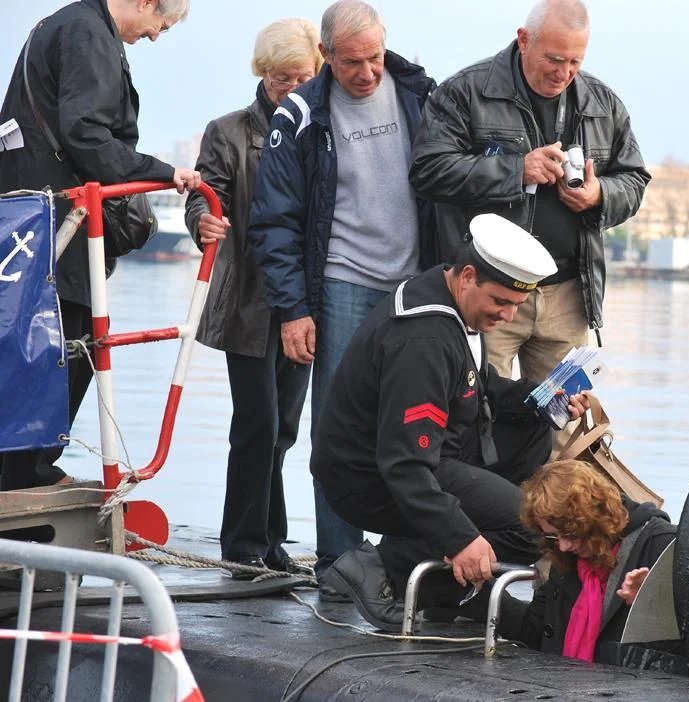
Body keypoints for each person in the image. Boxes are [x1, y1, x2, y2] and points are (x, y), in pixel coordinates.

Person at [312, 214, 591, 630]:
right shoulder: (423, 340)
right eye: (500, 302)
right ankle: (384, 569)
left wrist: (542, 397)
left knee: (531, 423)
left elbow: (479, 385)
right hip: (371, 478)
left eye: (517, 305)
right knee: (533, 525)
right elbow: (404, 463)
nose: (509, 316)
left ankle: (443, 580)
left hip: (429, 451)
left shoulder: (450, 300)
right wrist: (459, 538)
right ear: (467, 276)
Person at [247, 0, 435, 589]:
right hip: (341, 281)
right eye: (353, 62)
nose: (367, 72)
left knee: (415, 420)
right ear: (327, 56)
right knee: (337, 424)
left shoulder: (420, 94)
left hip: (413, 282)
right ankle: (338, 560)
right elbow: (273, 219)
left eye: (375, 58)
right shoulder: (300, 114)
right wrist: (293, 309)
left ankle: (403, 555)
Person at [0, 0, 201, 491]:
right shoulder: (89, 34)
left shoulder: (59, 24)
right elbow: (84, 131)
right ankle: (30, 474)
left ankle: (22, 470)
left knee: (36, 345)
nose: (156, 36)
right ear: (146, 2)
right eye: (161, 23)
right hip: (59, 221)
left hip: (28, 218)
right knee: (76, 339)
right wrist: (157, 172)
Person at [409, 0, 650, 394]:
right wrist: (515, 171)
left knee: (564, 422)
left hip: (568, 296)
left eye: (575, 61)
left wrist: (599, 195)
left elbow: (635, 180)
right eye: (555, 59)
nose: (565, 73)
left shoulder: (603, 104)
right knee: (480, 418)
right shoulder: (465, 91)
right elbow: (427, 171)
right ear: (523, 40)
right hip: (488, 292)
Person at [183, 19, 323, 579]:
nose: (293, 87)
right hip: (247, 298)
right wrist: (202, 224)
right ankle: (242, 540)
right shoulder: (227, 130)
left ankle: (270, 537)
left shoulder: (322, 128)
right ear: (263, 74)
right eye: (283, 77)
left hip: (303, 301)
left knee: (285, 427)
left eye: (304, 77)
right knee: (257, 421)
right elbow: (205, 192)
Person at [497, 459, 676, 664]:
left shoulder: (660, 544)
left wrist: (652, 602)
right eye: (554, 536)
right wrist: (476, 590)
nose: (563, 545)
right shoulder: (568, 554)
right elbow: (534, 631)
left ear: (593, 517)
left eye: (570, 533)